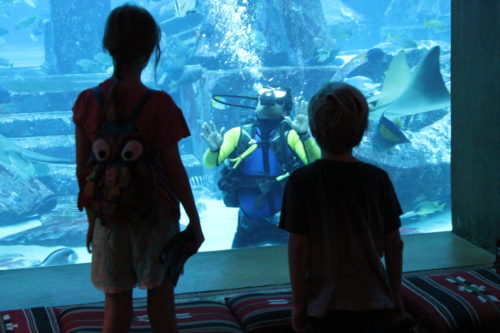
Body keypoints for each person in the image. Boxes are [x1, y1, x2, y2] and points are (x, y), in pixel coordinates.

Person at [73, 5, 204, 333]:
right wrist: (194, 220)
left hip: (109, 217)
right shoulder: (160, 104)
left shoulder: (86, 102)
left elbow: (83, 172)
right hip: (155, 216)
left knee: (115, 307)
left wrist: (92, 221)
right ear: (151, 50)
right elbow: (175, 170)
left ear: (108, 46)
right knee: (161, 305)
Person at [279, 82, 405, 333]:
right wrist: (396, 299)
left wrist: (298, 305)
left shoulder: (301, 181)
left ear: (313, 130)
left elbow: (298, 248)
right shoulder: (377, 178)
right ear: (363, 130)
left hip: (324, 305)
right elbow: (394, 243)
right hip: (375, 300)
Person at [201, 86, 320, 248]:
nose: (269, 100)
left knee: (291, 269)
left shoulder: (291, 134)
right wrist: (214, 149)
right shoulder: (237, 134)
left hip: (284, 222)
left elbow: (315, 163)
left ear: (286, 110)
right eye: (263, 98)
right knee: (240, 269)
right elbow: (210, 163)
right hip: (247, 222)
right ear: (255, 105)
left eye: (277, 100)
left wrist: (304, 135)